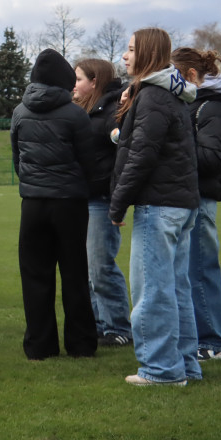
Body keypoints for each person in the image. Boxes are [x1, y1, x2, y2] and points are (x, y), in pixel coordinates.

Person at [110, 28, 200, 386]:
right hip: (179, 204)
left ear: (147, 54)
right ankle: (185, 366)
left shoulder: (153, 97)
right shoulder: (170, 94)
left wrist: (117, 204)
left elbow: (141, 157)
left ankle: (161, 371)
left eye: (132, 49)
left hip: (160, 206)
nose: (125, 56)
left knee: (153, 291)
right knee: (176, 288)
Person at [10, 50, 98, 360]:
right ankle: (81, 343)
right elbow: (88, 162)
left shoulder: (19, 112)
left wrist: (33, 184)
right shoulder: (75, 115)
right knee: (75, 273)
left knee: (35, 274)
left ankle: (39, 345)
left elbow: (18, 160)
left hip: (33, 203)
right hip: (69, 203)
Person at [171, 47, 221, 362]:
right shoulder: (196, 104)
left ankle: (212, 342)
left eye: (172, 74)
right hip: (186, 196)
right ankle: (198, 338)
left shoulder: (213, 109)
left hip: (200, 197)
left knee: (200, 269)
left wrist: (172, 146)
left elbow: (213, 159)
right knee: (190, 270)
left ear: (190, 75)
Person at [73, 58, 133, 347]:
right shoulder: (82, 111)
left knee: (100, 267)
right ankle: (98, 324)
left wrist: (116, 193)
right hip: (80, 199)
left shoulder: (112, 111)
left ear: (94, 81)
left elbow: (124, 146)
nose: (74, 85)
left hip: (100, 200)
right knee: (86, 269)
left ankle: (118, 328)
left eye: (79, 79)